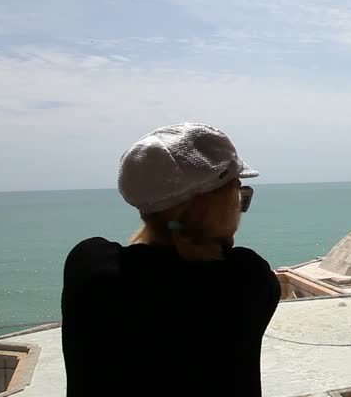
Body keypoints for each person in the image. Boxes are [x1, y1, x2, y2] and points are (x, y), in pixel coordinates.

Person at [61, 123, 280, 397]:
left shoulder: (89, 267)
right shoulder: (249, 280)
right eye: (237, 194)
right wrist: (216, 235)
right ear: (213, 206)